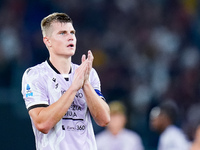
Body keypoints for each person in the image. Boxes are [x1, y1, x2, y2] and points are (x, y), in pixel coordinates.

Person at [21, 12, 110, 150]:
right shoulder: (34, 75)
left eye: (72, 32)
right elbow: (42, 124)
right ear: (47, 41)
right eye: (62, 33)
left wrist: (85, 84)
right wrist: (74, 88)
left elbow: (104, 119)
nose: (70, 37)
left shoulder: (88, 73)